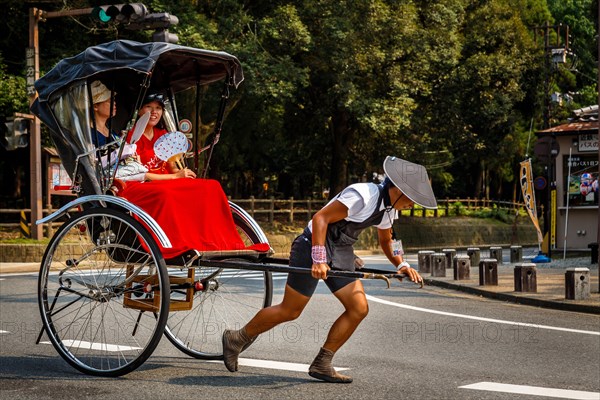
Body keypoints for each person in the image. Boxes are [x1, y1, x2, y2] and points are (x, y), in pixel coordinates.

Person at [222, 156, 437, 383]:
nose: (412, 205)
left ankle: (322, 363)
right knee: (291, 310)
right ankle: (236, 338)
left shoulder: (388, 209)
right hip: (311, 245)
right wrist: (318, 258)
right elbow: (320, 218)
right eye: (412, 199)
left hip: (342, 250)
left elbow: (387, 241)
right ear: (399, 190)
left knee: (359, 308)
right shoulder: (363, 195)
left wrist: (402, 264)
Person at [128, 93, 196, 181]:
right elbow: (139, 175)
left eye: (158, 108)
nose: (154, 112)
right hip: (148, 184)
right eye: (148, 106)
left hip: (169, 180)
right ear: (139, 111)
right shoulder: (132, 136)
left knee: (210, 184)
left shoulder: (163, 134)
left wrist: (183, 173)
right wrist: (175, 176)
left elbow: (172, 167)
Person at [90, 80, 119, 147]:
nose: (114, 103)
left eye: (114, 100)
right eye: (109, 101)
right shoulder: (89, 135)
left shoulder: (111, 131)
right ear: (95, 106)